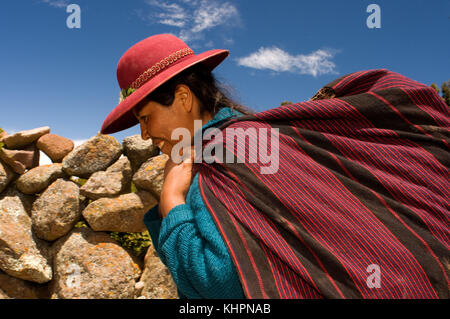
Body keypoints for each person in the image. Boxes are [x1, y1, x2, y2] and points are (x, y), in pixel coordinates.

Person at [101, 34, 449, 299]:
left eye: (147, 118)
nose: (145, 135)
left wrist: (173, 201)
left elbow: (217, 280)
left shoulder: (215, 158)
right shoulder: (259, 137)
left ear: (183, 98)